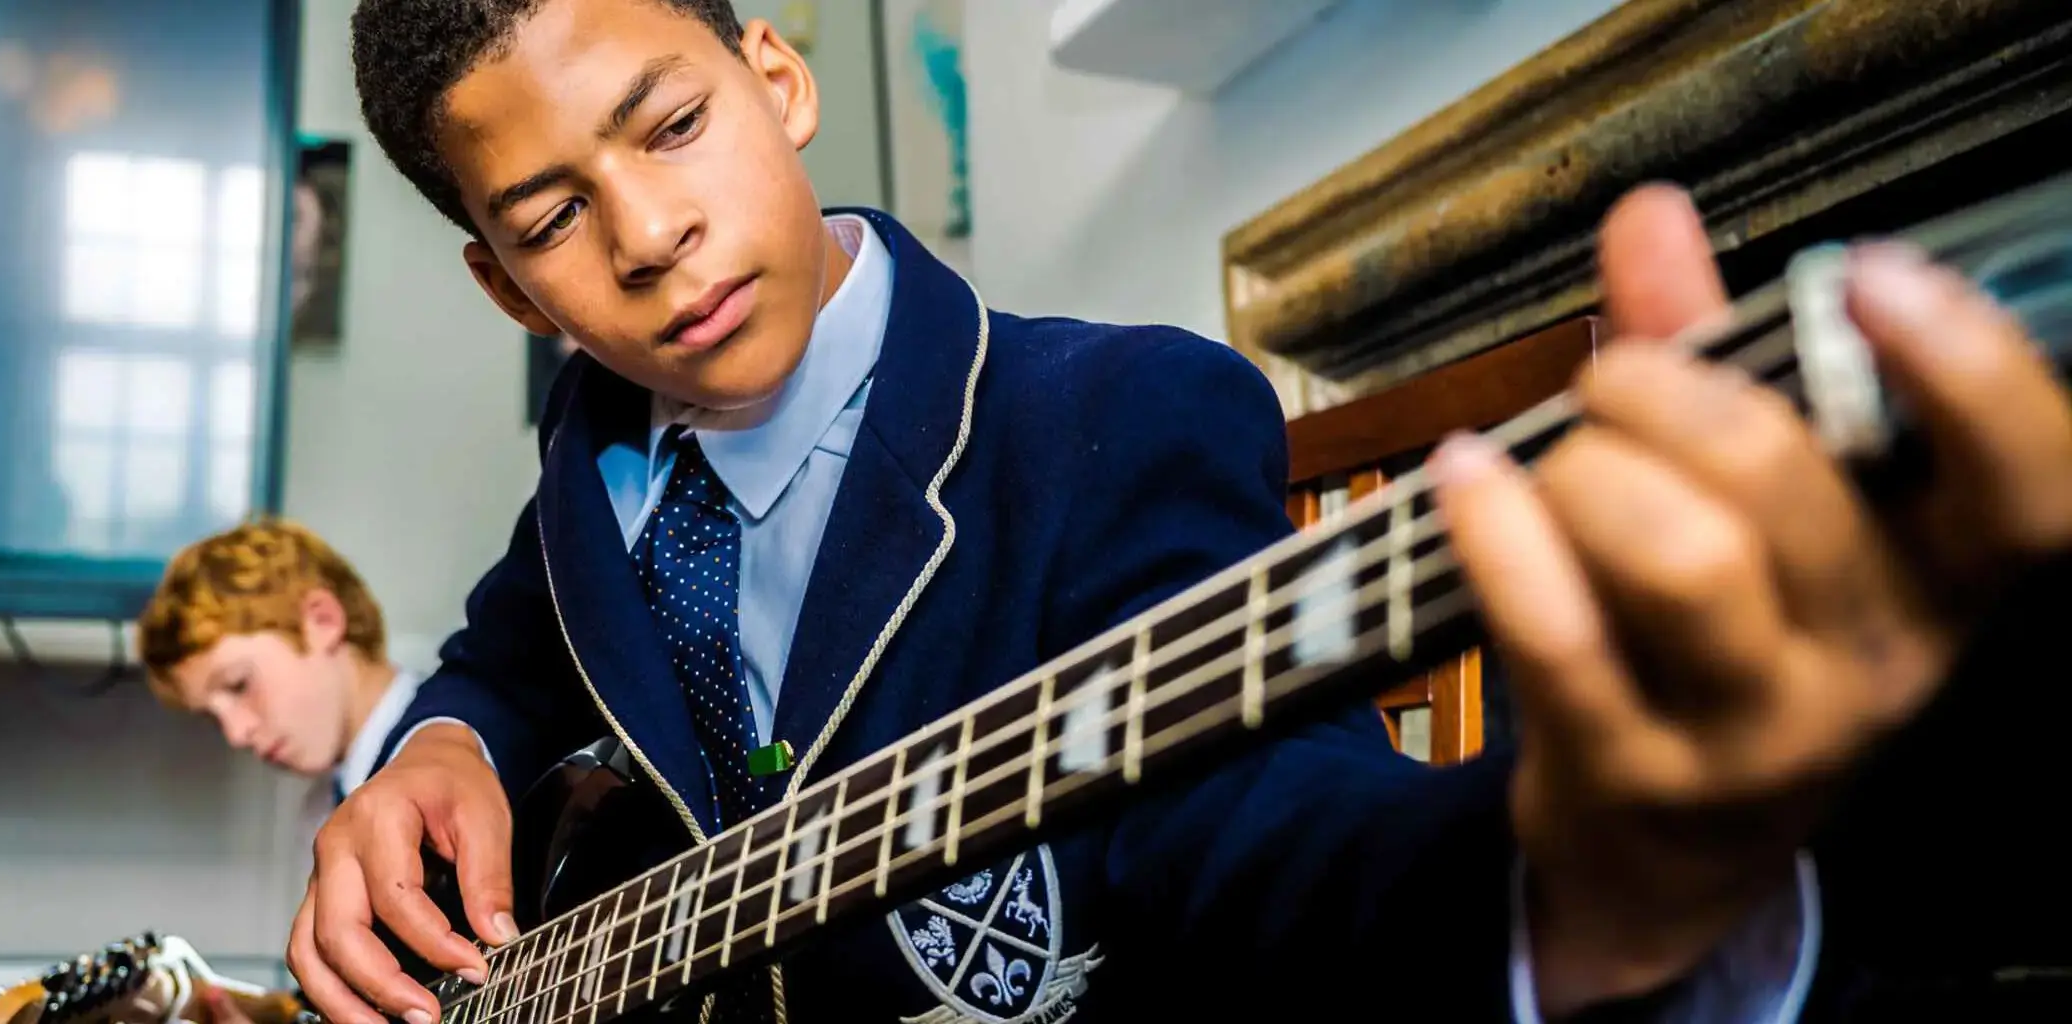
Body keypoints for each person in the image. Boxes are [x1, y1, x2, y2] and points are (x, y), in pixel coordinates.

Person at [288, 1, 2072, 1021]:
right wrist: (440, 738)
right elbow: (512, 639)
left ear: (776, 73)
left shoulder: (1117, 417)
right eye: (547, 218)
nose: (646, 230)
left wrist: (1584, 886)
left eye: (670, 124)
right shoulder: (595, 473)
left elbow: (1277, 833)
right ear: (507, 288)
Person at [136, 517, 424, 847]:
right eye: (213, 717)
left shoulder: (456, 769)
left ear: (322, 621)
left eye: (238, 685)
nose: (236, 734)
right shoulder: (323, 810)